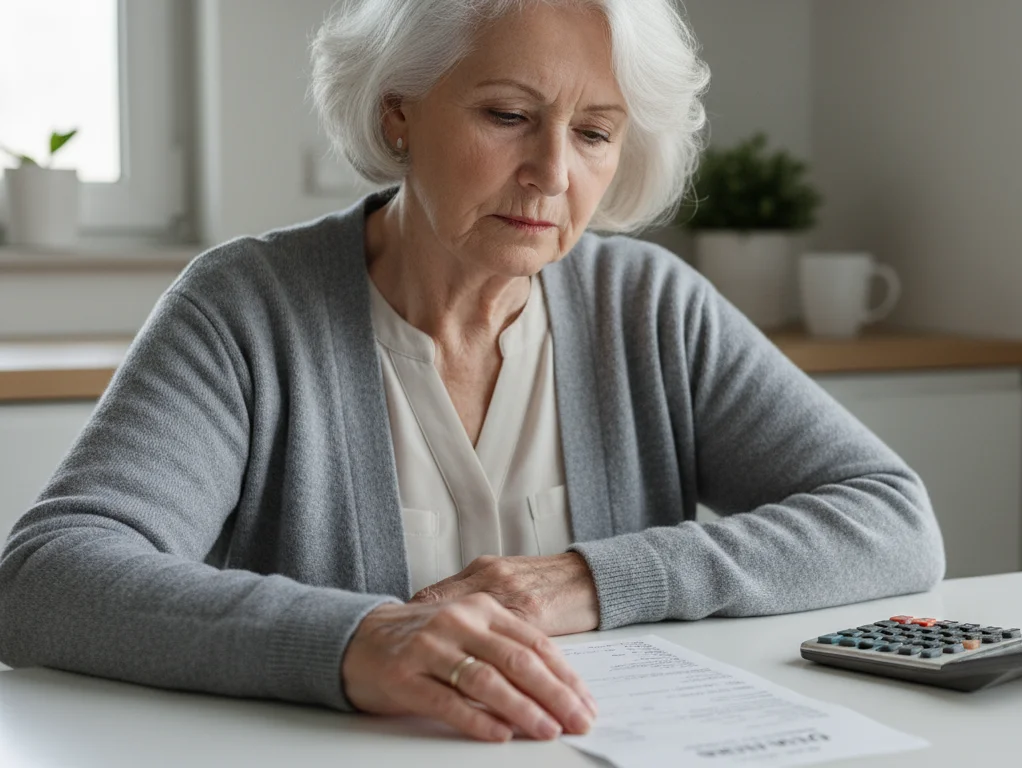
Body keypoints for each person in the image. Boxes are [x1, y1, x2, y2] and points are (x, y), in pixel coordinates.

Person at [0, 0, 945, 744]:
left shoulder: (649, 304)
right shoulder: (248, 307)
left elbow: (890, 519)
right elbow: (47, 578)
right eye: (508, 115)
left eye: (595, 133)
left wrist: (592, 579)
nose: (550, 173)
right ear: (397, 112)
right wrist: (355, 642)